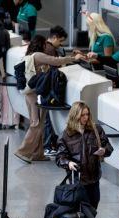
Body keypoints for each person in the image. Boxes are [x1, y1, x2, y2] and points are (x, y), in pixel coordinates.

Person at [56, 101, 113, 218]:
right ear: (76, 115)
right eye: (83, 115)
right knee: (84, 212)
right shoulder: (66, 134)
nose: (86, 118)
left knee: (91, 212)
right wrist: (69, 162)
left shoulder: (95, 129)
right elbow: (60, 157)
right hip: (77, 181)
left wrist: (104, 151)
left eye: (87, 114)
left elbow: (109, 147)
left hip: (93, 179)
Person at [14, 35, 83, 163]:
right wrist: (74, 58)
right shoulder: (38, 55)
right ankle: (22, 151)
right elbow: (55, 61)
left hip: (28, 92)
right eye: (45, 43)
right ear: (41, 44)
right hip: (34, 94)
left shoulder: (28, 55)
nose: (47, 45)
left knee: (38, 122)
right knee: (37, 123)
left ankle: (37, 153)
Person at [42, 26, 72, 156]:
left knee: (47, 117)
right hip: (49, 88)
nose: (60, 44)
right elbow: (56, 65)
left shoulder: (45, 46)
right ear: (54, 37)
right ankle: (48, 146)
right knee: (48, 118)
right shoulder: (50, 50)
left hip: (44, 87)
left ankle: (49, 145)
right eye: (60, 41)